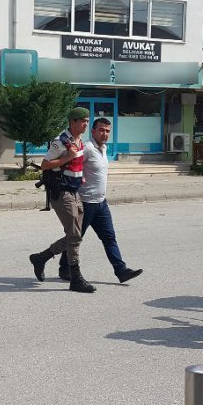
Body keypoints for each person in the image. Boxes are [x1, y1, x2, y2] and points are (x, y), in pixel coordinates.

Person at [55, 118, 143, 284]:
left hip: (101, 204)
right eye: (101, 130)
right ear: (93, 131)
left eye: (107, 131)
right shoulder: (87, 148)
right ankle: (60, 266)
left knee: (109, 238)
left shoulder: (103, 148)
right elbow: (71, 165)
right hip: (85, 203)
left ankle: (121, 270)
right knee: (75, 237)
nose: (105, 134)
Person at [28, 107, 96, 293]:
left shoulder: (79, 141)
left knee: (76, 235)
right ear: (72, 122)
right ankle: (76, 277)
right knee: (74, 236)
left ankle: (41, 258)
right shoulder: (61, 142)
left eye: (87, 120)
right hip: (61, 192)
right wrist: (68, 156)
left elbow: (75, 165)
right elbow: (45, 165)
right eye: (82, 120)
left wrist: (79, 176)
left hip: (75, 191)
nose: (85, 124)